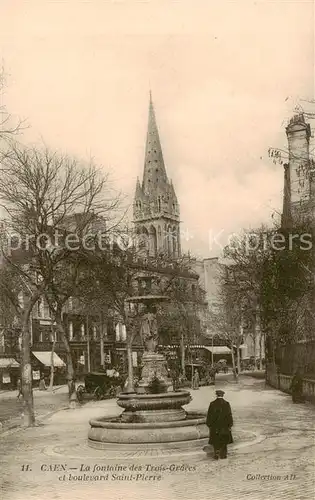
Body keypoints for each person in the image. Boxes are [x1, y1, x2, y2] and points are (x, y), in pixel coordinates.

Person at [206, 389, 233, 459]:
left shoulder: (212, 404)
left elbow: (209, 415)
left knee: (216, 440)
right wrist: (230, 425)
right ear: (223, 395)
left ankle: (216, 454)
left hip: (215, 427)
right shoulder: (226, 403)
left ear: (216, 395)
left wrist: (209, 424)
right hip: (224, 427)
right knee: (224, 441)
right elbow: (229, 415)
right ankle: (223, 455)